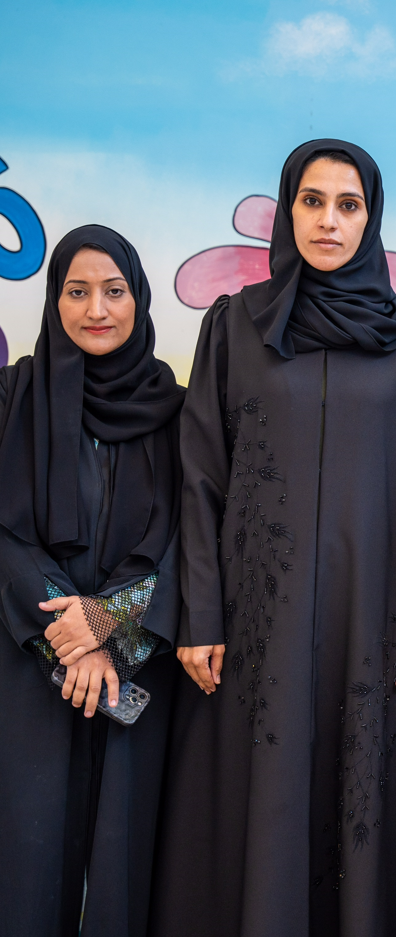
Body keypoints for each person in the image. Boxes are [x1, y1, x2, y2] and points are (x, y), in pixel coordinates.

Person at [151, 140, 396, 937]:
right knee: (256, 806)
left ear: (372, 216)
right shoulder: (234, 326)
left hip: (376, 626)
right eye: (312, 201)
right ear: (288, 211)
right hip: (255, 624)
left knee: (364, 814)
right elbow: (201, 476)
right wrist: (202, 616)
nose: (329, 220)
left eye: (347, 204)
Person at [0, 226, 184, 936]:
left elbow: (183, 537)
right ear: (54, 300)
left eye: (114, 290)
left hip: (133, 667)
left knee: (125, 864)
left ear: (138, 297)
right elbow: (5, 533)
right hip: (29, 662)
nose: (96, 308)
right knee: (26, 854)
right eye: (77, 291)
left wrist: (107, 628)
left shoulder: (178, 410)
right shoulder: (15, 394)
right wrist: (68, 636)